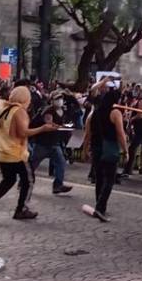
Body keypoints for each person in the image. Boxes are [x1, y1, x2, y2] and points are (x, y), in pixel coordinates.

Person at [0, 86, 55, 221]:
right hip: (16, 153)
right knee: (28, 180)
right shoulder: (19, 111)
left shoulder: (4, 108)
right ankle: (21, 209)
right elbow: (23, 133)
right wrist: (43, 128)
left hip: (3, 153)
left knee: (9, 180)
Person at [81, 89, 127, 222]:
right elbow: (120, 133)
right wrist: (126, 150)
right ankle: (101, 207)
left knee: (99, 177)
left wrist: (84, 150)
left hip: (96, 148)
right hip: (109, 148)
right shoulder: (115, 113)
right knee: (109, 179)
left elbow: (87, 133)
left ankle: (99, 204)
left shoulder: (93, 114)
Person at [29, 101, 73, 196]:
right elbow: (49, 124)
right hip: (42, 144)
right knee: (33, 164)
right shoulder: (48, 110)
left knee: (61, 162)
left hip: (54, 143)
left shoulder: (61, 111)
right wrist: (61, 127)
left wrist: (65, 128)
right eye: (58, 98)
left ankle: (58, 185)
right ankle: (24, 182)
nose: (60, 100)